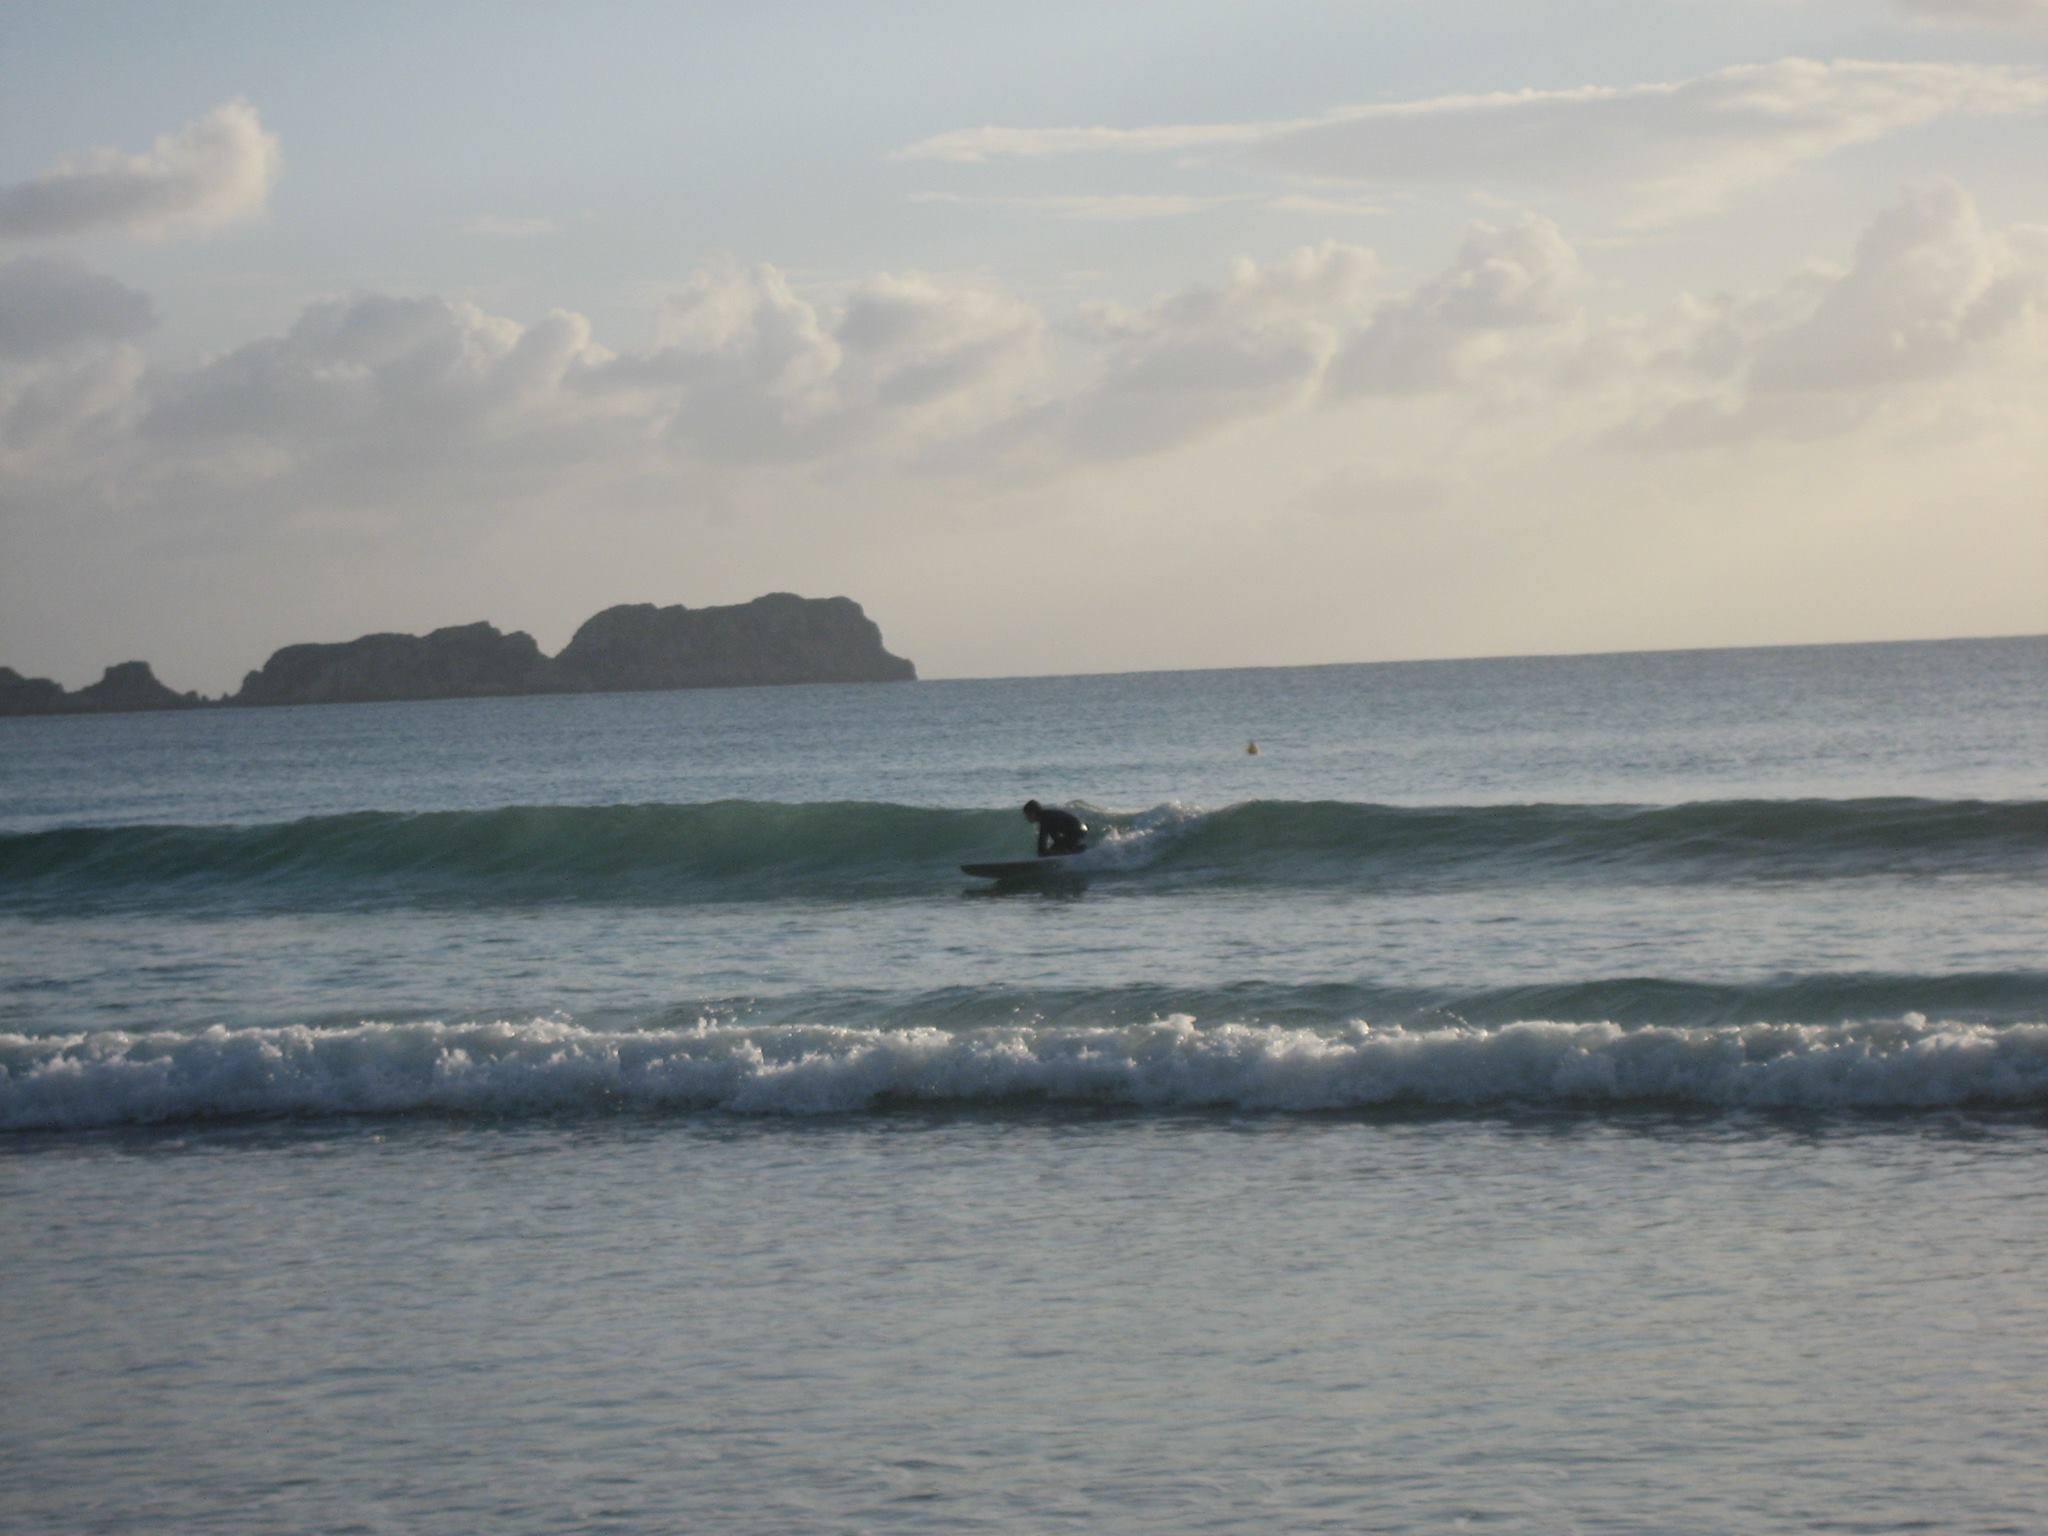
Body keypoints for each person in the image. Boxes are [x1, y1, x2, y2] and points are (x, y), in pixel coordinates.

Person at [1022, 799, 1087, 857]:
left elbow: (1042, 840)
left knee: (1048, 852)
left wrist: (1042, 854)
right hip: (1080, 830)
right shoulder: (1046, 815)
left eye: (1027, 814)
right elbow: (1055, 838)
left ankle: (1077, 850)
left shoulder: (1045, 819)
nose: (1026, 818)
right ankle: (1077, 849)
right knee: (1055, 849)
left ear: (1032, 813)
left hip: (1076, 831)